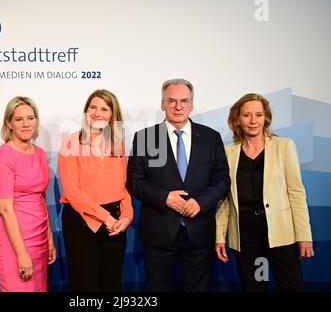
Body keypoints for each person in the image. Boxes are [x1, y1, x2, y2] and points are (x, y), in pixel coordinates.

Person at [126, 78, 230, 291]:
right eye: (171, 101)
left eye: (184, 101)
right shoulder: (146, 138)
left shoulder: (211, 138)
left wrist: (200, 203)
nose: (178, 106)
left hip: (199, 231)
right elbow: (134, 182)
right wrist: (165, 198)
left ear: (192, 104)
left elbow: (222, 179)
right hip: (159, 233)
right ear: (162, 104)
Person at [215, 93, 314, 291]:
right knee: (254, 287)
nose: (253, 121)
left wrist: (304, 235)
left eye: (259, 115)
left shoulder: (284, 146)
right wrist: (219, 235)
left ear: (265, 118)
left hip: (280, 234)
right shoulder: (228, 153)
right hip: (245, 236)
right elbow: (224, 199)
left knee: (292, 287)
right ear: (237, 119)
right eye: (247, 115)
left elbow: (296, 193)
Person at [58, 89, 134, 292]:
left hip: (115, 225)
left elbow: (122, 186)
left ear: (112, 115)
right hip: (81, 223)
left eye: (104, 109)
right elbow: (72, 191)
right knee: (86, 286)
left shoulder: (117, 144)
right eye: (93, 107)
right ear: (86, 110)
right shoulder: (70, 142)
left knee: (111, 284)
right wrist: (106, 218)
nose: (97, 113)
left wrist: (126, 217)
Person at [0, 96, 56, 292]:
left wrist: (49, 237)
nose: (26, 124)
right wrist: (21, 254)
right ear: (9, 123)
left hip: (40, 238)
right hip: (14, 243)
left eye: (31, 118)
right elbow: (5, 209)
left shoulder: (41, 153)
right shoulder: (2, 156)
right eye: (19, 119)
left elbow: (41, 198)